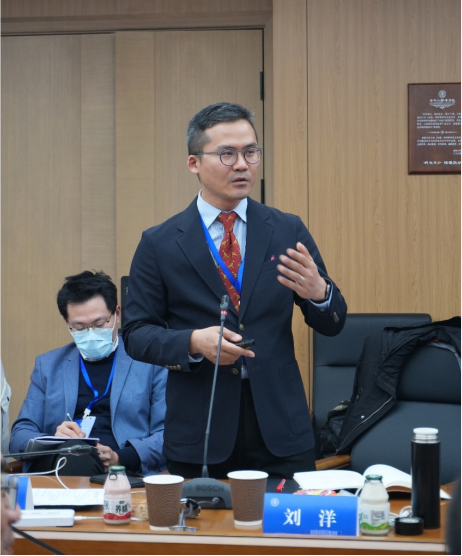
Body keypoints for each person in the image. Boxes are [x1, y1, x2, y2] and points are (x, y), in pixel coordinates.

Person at [123, 102, 347, 479]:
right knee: (205, 520)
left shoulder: (285, 229)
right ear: (194, 163)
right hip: (201, 430)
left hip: (280, 428)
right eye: (227, 154)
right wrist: (193, 342)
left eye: (250, 152)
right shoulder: (159, 243)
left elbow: (333, 322)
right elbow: (135, 333)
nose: (242, 164)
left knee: (288, 518)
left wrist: (319, 292)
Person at [10, 271, 167, 476]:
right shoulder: (48, 366)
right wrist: (53, 441)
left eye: (100, 324)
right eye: (80, 327)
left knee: (81, 459)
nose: (91, 334)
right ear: (67, 323)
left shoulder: (149, 362)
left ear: (117, 313)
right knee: (76, 455)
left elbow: (168, 434)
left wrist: (121, 457)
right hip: (59, 466)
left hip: (124, 472)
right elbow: (20, 435)